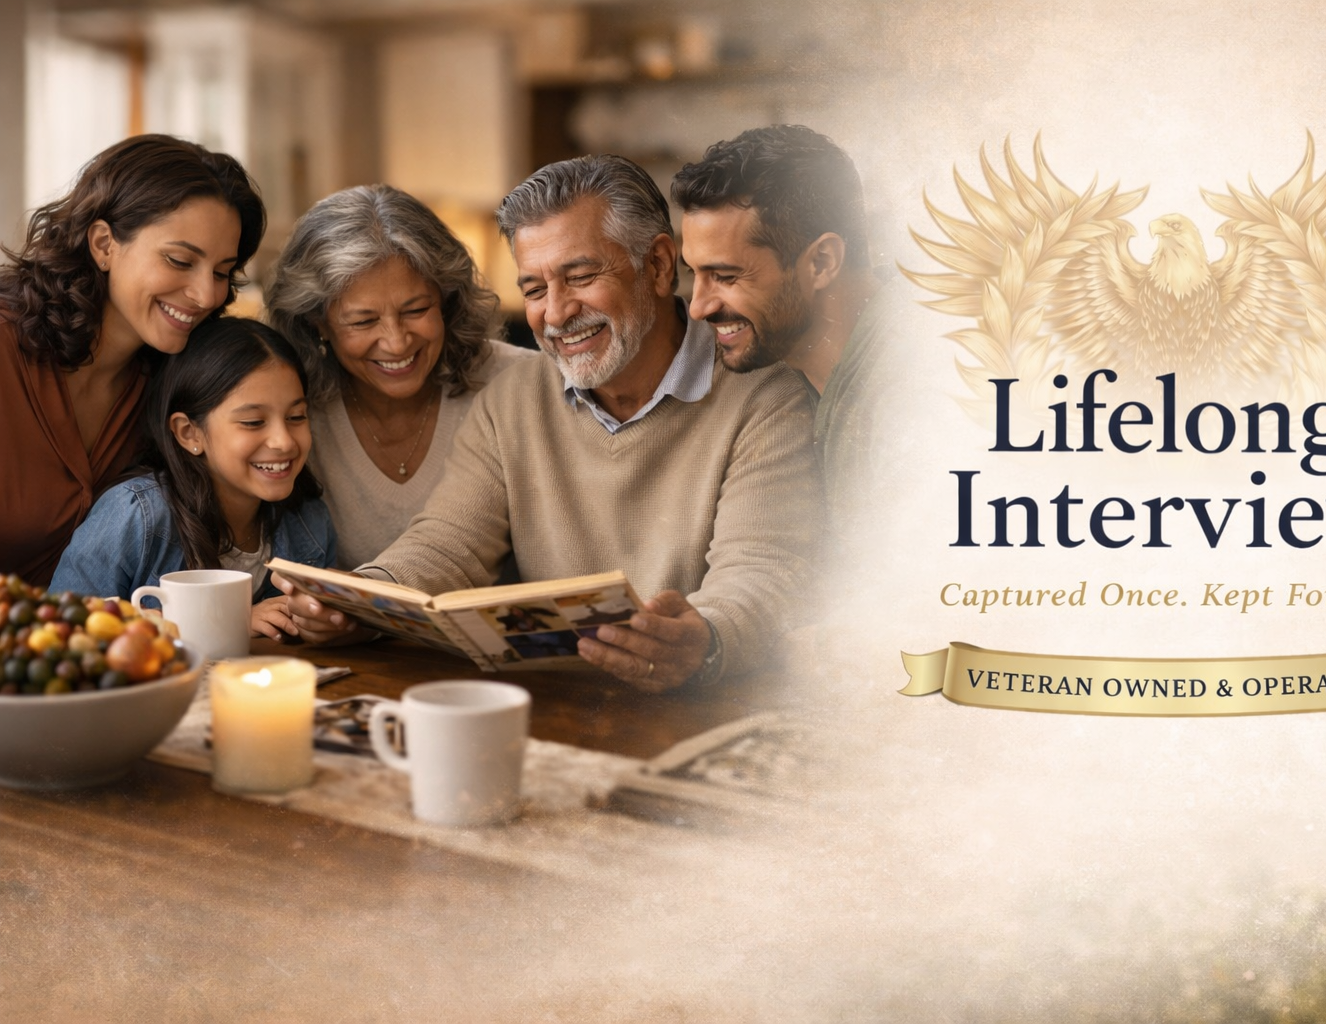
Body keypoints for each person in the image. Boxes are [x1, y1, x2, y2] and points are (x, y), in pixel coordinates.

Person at [279, 155, 820, 691]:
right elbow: (448, 544)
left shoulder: (764, 394)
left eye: (580, 277)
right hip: (560, 704)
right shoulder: (511, 398)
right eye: (535, 289)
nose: (557, 314)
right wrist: (356, 597)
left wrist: (706, 636)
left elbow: (764, 568)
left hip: (704, 702)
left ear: (657, 265)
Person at [0, 134, 266, 585]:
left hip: (93, 645)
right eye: (180, 260)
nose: (206, 295)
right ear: (104, 244)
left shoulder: (169, 381)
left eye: (222, 272)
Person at [264, 184, 524, 569]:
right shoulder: (289, 413)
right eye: (364, 321)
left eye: (416, 310)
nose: (397, 342)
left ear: (447, 299)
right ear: (317, 322)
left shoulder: (519, 384)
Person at [672, 124, 907, 520]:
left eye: (726, 277)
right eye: (695, 274)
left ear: (821, 262)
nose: (699, 307)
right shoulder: (781, 359)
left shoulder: (915, 393)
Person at [51, 317, 336, 641]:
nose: (284, 441)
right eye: (254, 421)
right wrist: (231, 621)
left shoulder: (310, 522)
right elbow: (61, 633)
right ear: (189, 433)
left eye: (296, 416)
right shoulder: (135, 516)